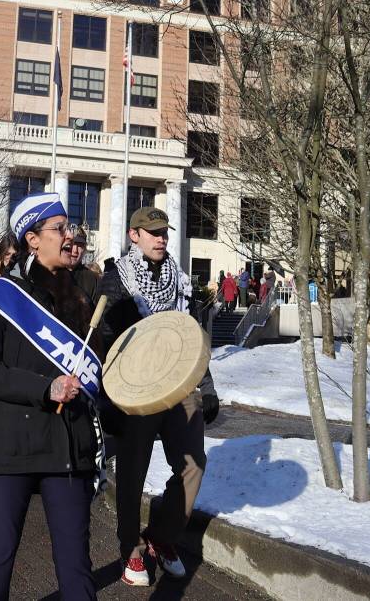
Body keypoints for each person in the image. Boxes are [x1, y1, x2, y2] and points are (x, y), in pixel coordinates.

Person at [0, 192, 102, 601]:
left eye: (70, 227)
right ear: (32, 238)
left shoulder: (83, 294)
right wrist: (44, 389)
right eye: (58, 228)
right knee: (1, 550)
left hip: (65, 444)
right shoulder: (0, 298)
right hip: (12, 444)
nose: (68, 236)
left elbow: (103, 361)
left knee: (76, 560)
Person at [99, 206, 220, 587]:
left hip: (178, 386)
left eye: (163, 231)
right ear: (134, 235)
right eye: (152, 232)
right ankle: (130, 547)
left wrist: (208, 385)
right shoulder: (115, 278)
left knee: (193, 464)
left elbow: (191, 337)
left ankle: (163, 537)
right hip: (135, 390)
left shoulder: (180, 281)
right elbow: (106, 340)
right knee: (133, 471)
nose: (161, 237)